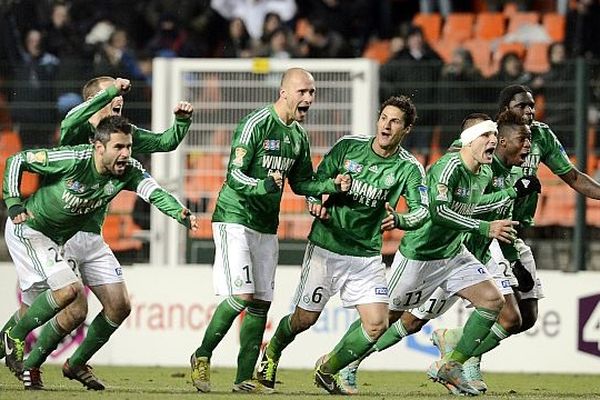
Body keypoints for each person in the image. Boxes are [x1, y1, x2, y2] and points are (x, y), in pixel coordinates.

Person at [324, 113, 541, 396]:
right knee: (389, 317)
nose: (493, 142)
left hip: (456, 252)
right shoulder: (448, 168)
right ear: (471, 140)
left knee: (494, 302)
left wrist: (510, 194)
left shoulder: (486, 172)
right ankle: (341, 362)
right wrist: (486, 226)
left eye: (493, 136)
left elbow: (473, 207)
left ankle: (454, 364)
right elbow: (440, 212)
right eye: (487, 137)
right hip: (421, 254)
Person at [0, 76, 193, 390]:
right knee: (70, 305)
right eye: (109, 99)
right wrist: (112, 91)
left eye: (120, 99)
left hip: (90, 232)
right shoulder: (80, 132)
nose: (118, 102)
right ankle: (29, 363)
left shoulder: (122, 138)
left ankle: (73, 363)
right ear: (93, 104)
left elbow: (163, 143)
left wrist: (181, 123)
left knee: (118, 305)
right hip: (58, 230)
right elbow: (71, 119)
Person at [426, 83, 600, 392]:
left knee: (528, 317)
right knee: (505, 314)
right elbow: (451, 168)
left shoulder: (542, 136)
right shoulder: (485, 138)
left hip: (515, 232)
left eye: (532, 105)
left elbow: (573, 177)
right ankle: (460, 362)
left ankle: (454, 342)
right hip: (489, 230)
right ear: (505, 111)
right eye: (522, 105)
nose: (530, 110)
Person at [188, 67, 351, 394]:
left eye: (312, 92)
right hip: (234, 217)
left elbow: (302, 182)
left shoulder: (299, 136)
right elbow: (234, 176)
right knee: (242, 296)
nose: (308, 98)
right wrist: (263, 183)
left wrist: (331, 184)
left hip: (265, 225)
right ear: (284, 92)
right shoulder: (256, 124)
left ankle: (243, 379)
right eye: (303, 92)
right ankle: (202, 354)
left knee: (261, 302)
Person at [254, 95, 429, 394]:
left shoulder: (409, 169)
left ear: (406, 129)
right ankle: (272, 352)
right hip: (327, 246)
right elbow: (313, 181)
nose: (386, 125)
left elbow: (422, 210)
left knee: (377, 324)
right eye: (384, 118)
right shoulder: (349, 147)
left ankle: (328, 368)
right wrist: (314, 203)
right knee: (304, 319)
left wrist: (399, 221)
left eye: (395, 121)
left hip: (365, 256)